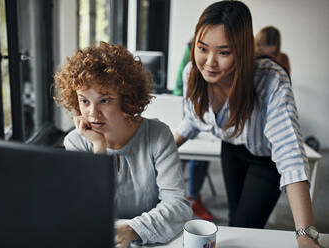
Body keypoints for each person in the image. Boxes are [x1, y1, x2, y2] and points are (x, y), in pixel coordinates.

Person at [174, 1, 322, 247]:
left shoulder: (270, 78)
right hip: (232, 150)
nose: (209, 62)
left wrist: (305, 234)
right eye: (202, 48)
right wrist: (154, 150)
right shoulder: (192, 72)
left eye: (223, 52)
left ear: (241, 51)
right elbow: (191, 121)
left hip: (266, 159)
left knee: (245, 224)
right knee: (234, 219)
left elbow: (290, 154)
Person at [53, 42, 192, 248]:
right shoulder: (76, 142)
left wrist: (131, 230)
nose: (92, 113)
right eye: (84, 101)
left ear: (126, 99)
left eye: (105, 100)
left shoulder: (157, 135)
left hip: (155, 243)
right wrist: (99, 149)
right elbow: (85, 211)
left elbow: (179, 206)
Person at [174, 39, 214, 221]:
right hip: (186, 108)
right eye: (203, 49)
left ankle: (193, 196)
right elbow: (178, 87)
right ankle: (190, 197)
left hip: (204, 117)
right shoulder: (190, 62)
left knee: (201, 155)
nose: (211, 61)